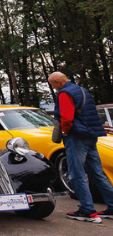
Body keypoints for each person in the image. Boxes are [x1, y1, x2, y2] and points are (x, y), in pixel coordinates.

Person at [48, 72, 113, 223]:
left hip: (76, 136)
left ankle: (87, 210)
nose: (53, 88)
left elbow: (67, 117)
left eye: (52, 85)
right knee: (97, 173)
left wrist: (64, 131)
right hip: (91, 134)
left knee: (77, 174)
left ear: (57, 82)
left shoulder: (64, 93)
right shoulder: (82, 90)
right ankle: (111, 206)